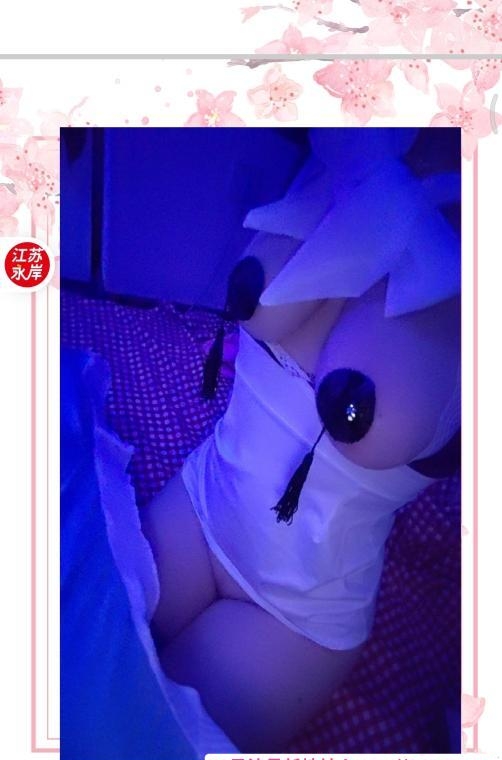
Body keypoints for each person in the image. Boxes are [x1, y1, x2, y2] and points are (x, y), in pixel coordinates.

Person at [140, 127, 461, 752]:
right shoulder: (347, 149)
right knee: (62, 652)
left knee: (141, 738)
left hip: (291, 615)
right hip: (198, 507)